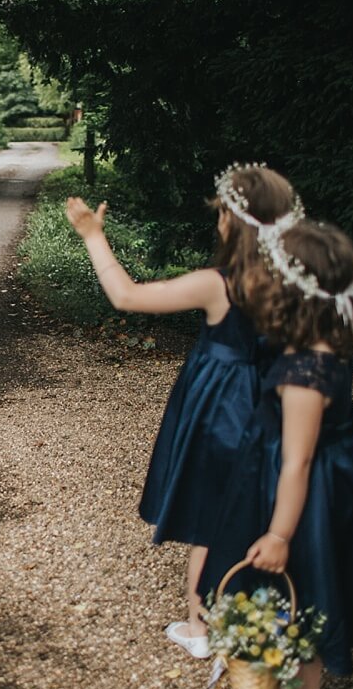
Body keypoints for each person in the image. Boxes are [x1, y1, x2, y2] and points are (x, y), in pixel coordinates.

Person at [65, 164, 302, 661]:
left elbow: (127, 296)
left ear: (230, 224)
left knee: (210, 516)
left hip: (223, 411)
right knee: (260, 508)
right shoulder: (297, 280)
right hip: (282, 406)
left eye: (220, 215)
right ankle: (259, 617)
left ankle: (201, 626)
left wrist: (92, 235)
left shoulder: (219, 284)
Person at [201, 219, 353, 689]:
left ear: (290, 295)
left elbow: (296, 460)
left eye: (265, 281)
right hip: (328, 491)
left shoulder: (302, 371)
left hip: (301, 501)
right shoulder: (325, 346)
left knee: (286, 598)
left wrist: (279, 533)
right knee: (313, 595)